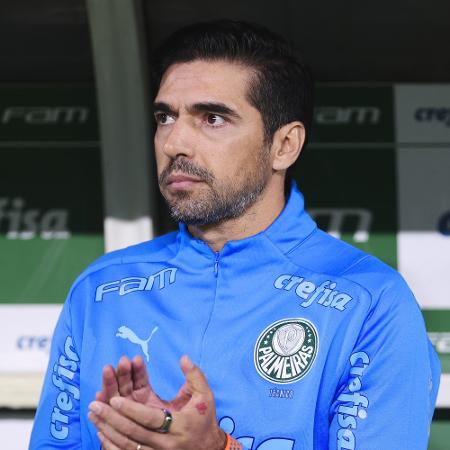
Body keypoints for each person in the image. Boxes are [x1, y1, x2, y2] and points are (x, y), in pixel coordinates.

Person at [30, 20, 440, 450]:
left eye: (212, 118)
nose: (175, 143)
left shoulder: (370, 300)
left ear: (285, 145)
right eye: (165, 117)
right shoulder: (101, 289)